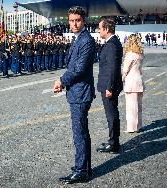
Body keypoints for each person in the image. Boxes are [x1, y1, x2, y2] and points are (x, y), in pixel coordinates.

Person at [53, 6, 96, 184]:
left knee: (79, 133)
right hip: (77, 91)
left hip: (80, 93)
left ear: (84, 21)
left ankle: (81, 171)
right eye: (71, 20)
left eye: (77, 20)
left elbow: (78, 69)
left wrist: (61, 81)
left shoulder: (86, 40)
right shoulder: (79, 39)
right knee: (81, 131)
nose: (74, 23)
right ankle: (84, 166)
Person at [96, 17, 123, 153]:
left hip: (109, 85)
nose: (98, 31)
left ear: (106, 29)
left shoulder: (111, 44)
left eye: (100, 28)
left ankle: (113, 143)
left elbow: (112, 67)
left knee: (111, 114)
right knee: (112, 113)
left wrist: (109, 87)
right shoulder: (112, 42)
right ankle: (114, 140)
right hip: (110, 84)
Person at [122, 34, 145, 133]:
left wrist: (122, 78)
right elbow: (140, 69)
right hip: (139, 80)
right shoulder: (140, 54)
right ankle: (138, 126)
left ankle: (131, 128)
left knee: (131, 106)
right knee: (138, 106)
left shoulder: (130, 54)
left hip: (131, 82)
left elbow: (125, 69)